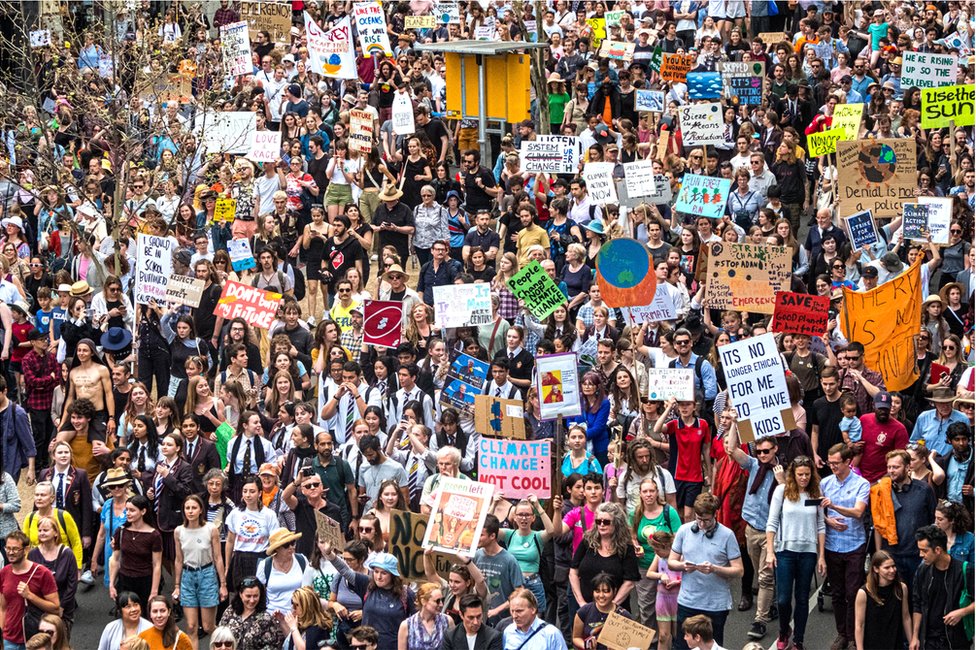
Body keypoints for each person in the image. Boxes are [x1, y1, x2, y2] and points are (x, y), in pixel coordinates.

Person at [667, 493, 743, 650]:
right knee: (682, 646)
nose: (701, 524)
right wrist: (683, 566)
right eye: (698, 519)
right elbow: (671, 562)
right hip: (688, 601)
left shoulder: (727, 535)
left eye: (706, 520)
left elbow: (739, 570)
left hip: (715, 605)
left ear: (715, 515)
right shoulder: (684, 530)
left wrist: (715, 569)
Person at [765, 456, 826, 650]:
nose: (804, 478)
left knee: (802, 598)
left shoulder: (815, 492)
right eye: (800, 474)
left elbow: (820, 525)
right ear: (793, 474)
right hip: (785, 552)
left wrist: (821, 555)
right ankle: (784, 630)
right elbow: (772, 523)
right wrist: (770, 551)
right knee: (783, 599)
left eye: (807, 474)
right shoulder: (781, 491)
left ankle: (798, 640)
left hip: (807, 553)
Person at [821, 443, 871, 650]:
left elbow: (859, 512)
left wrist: (834, 507)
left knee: (853, 593)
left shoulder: (861, 484)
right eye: (829, 463)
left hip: (854, 545)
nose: (832, 467)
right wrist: (827, 519)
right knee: (838, 593)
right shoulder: (825, 483)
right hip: (833, 545)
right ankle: (841, 633)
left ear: (848, 462)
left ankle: (853, 635)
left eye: (836, 463)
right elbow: (817, 512)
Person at [911, 525, 975, 650]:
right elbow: (917, 604)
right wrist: (915, 637)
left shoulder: (965, 570)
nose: (920, 555)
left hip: (957, 640)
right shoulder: (922, 570)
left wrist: (962, 612)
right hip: (930, 640)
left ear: (938, 550)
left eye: (924, 551)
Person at [173, 494, 226, 644]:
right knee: (191, 627)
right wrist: (176, 586)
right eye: (187, 508)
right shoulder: (179, 531)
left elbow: (218, 558)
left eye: (194, 508)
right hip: (187, 576)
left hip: (207, 574)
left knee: (209, 626)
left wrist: (223, 584)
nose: (190, 511)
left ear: (200, 510)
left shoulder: (211, 529)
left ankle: (227, 643)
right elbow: (178, 559)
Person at [0, 531, 60, 650]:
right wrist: (1, 635)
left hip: (35, 641)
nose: (11, 552)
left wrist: (30, 596)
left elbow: (55, 608)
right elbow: (3, 607)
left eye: (16, 549)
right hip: (9, 640)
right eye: (8, 548)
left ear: (26, 550)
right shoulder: (4, 573)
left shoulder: (42, 573)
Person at [109, 494, 162, 612]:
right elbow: (115, 559)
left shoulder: (154, 535)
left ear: (143, 511)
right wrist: (112, 584)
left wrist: (154, 591)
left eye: (132, 510)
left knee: (145, 617)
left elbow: (157, 565)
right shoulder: (121, 531)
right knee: (126, 616)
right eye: (126, 509)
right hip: (124, 581)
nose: (128, 513)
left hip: (145, 581)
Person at [27, 517, 78, 631]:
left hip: (63, 609)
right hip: (39, 610)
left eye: (46, 530)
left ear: (56, 532)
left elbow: (72, 584)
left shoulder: (67, 554)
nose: (42, 533)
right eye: (39, 530)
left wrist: (62, 607)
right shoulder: (32, 554)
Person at [854, 551, 912, 650]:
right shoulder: (864, 593)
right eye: (887, 567)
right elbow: (859, 624)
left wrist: (912, 641)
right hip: (873, 645)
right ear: (876, 569)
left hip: (895, 644)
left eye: (893, 566)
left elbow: (906, 617)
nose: (892, 570)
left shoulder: (902, 588)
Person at [473, 514, 524, 627]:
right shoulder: (477, 555)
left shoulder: (509, 560)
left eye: (481, 535)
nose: (477, 538)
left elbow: (520, 592)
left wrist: (498, 609)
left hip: (504, 619)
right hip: (481, 617)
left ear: (492, 536)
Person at [218, 577, 285, 650]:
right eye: (248, 596)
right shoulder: (230, 611)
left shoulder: (266, 619)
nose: (252, 600)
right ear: (241, 594)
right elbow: (219, 635)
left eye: (255, 596)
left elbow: (272, 646)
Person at [572, 572, 633, 650]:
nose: (601, 595)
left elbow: (630, 644)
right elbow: (576, 637)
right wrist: (587, 646)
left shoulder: (624, 615)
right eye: (597, 591)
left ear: (614, 591)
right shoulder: (584, 611)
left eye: (606, 591)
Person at [396, 581, 451, 650]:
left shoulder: (447, 621)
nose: (441, 604)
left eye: (442, 600)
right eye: (437, 601)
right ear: (423, 601)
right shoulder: (407, 625)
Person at [281, 586, 333, 650]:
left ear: (307, 607)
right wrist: (282, 621)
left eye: (297, 605)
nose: (293, 608)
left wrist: (294, 628)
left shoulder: (318, 628)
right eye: (292, 603)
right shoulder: (299, 625)